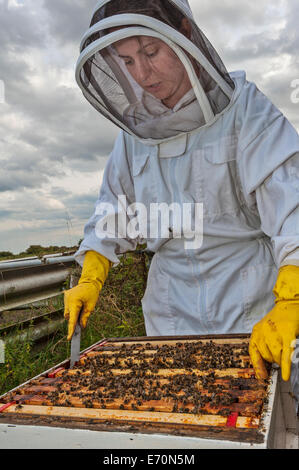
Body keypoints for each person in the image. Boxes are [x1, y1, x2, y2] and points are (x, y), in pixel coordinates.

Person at [64, 0, 299, 393]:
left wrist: (292, 297)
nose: (142, 73)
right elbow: (112, 213)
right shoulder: (134, 135)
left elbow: (291, 205)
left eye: (150, 52)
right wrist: (91, 275)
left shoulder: (246, 110)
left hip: (252, 312)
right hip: (168, 316)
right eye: (127, 61)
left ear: (185, 35)